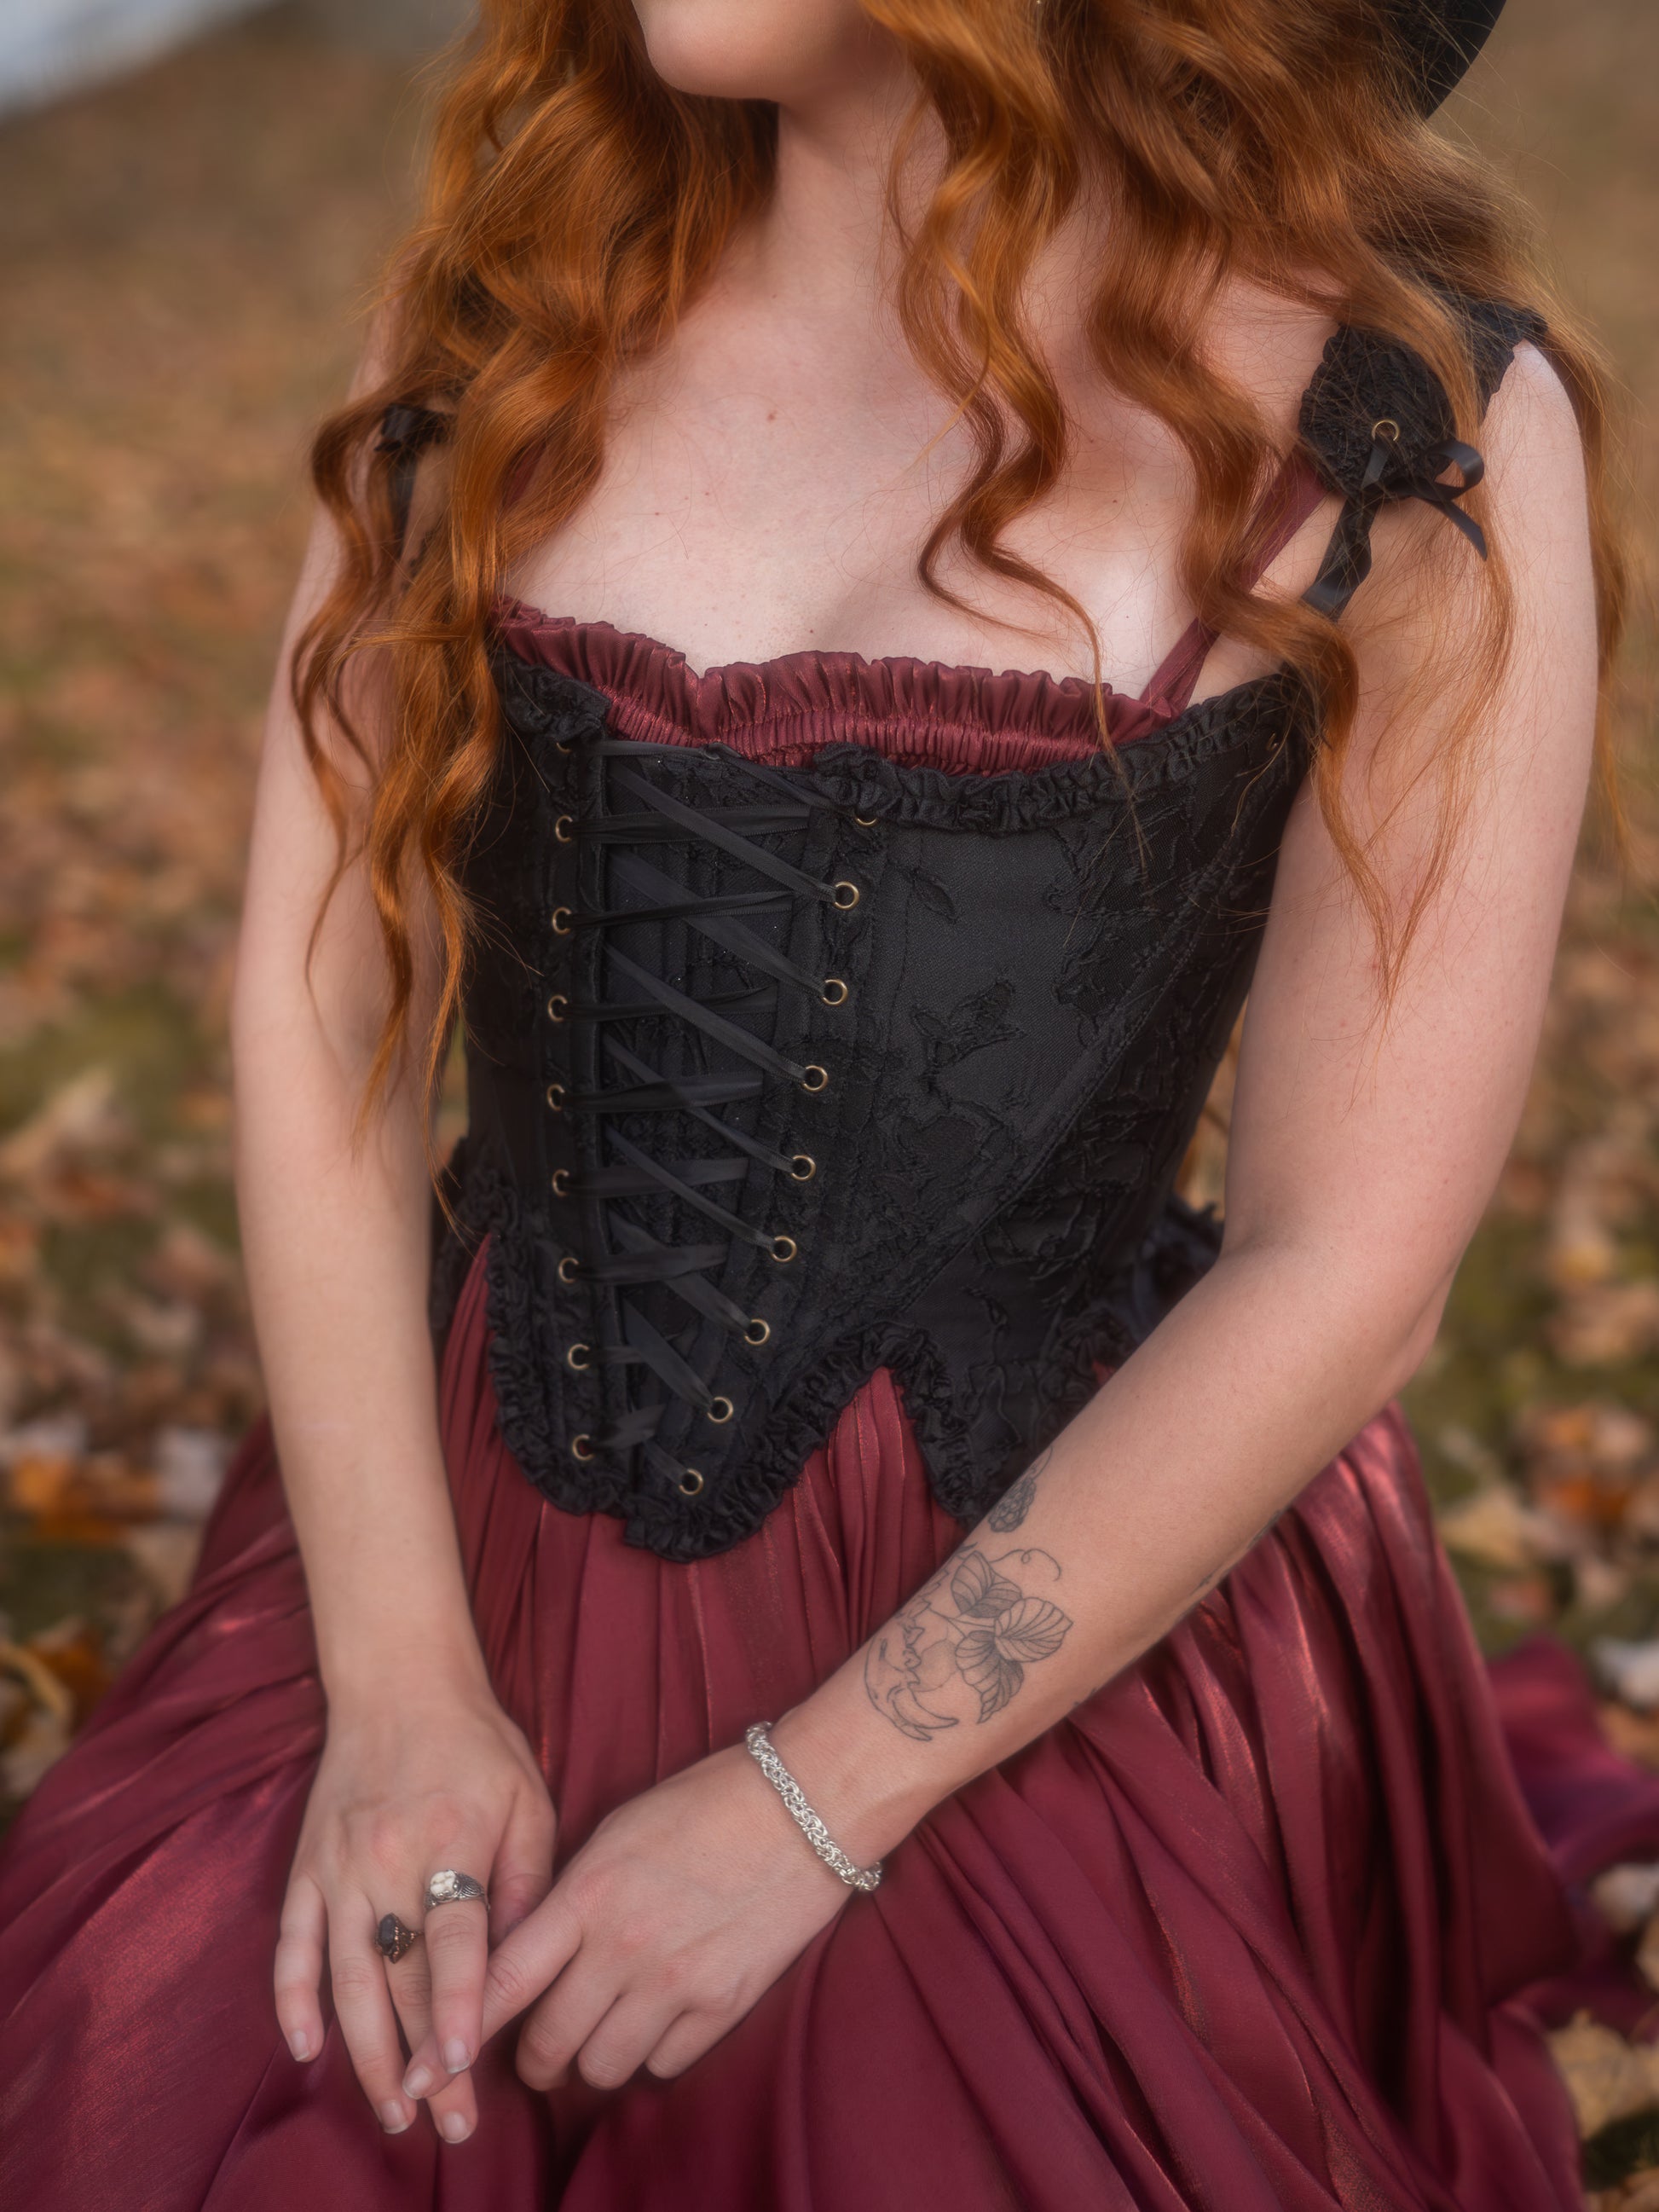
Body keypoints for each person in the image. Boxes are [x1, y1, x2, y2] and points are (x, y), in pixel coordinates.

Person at [0, 1, 1625, 2205]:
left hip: (1019, 1601)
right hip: (453, 1528)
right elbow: (325, 1007)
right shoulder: (523, 282)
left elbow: (1347, 1257)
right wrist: (395, 1688)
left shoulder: (1395, 433)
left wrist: (809, 1801)